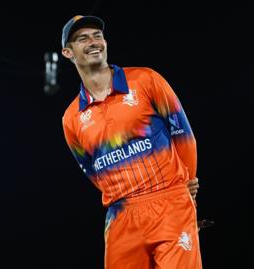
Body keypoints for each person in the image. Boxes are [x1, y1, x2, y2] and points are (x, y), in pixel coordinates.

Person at [61, 15, 202, 268]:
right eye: (83, 39)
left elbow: (183, 134)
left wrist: (185, 183)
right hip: (121, 216)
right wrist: (121, 191)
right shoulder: (72, 118)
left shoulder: (146, 79)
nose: (93, 42)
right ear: (68, 52)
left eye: (97, 36)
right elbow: (92, 170)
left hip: (170, 203)